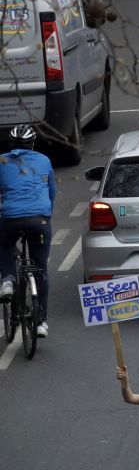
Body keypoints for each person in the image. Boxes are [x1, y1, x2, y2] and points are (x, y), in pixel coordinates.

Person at [0, 123, 54, 339]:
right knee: (41, 268)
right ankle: (41, 322)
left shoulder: (2, 161)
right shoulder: (43, 160)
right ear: (33, 144)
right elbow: (51, 192)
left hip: (10, 219)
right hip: (39, 220)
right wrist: (46, 215)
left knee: (3, 244)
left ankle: (8, 280)